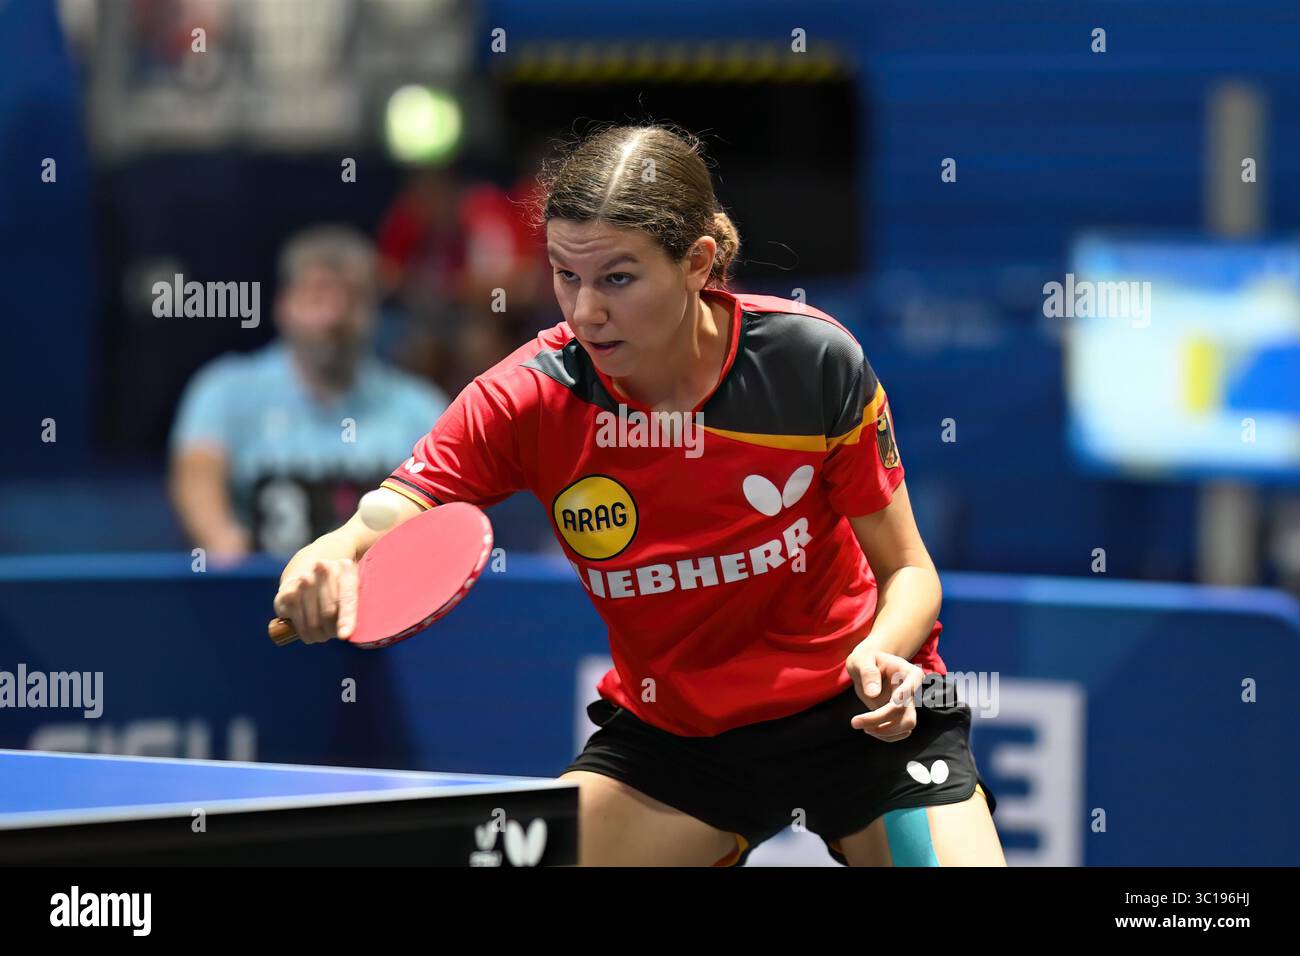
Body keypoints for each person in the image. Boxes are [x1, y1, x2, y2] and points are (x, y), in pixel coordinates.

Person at [271, 125, 1005, 867]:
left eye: (617, 279)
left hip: (858, 719)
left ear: (697, 263)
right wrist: (336, 550)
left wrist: (882, 655)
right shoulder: (530, 395)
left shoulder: (807, 363)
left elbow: (909, 570)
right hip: (680, 742)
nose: (583, 311)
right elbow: (397, 505)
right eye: (564, 275)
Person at [168, 225, 448, 559]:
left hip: (382, 597)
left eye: (353, 299)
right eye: (316, 297)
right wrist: (221, 543)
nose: (333, 317)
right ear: (283, 305)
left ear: (374, 312)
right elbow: (198, 476)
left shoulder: (418, 406)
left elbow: (446, 512)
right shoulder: (224, 390)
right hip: (256, 594)